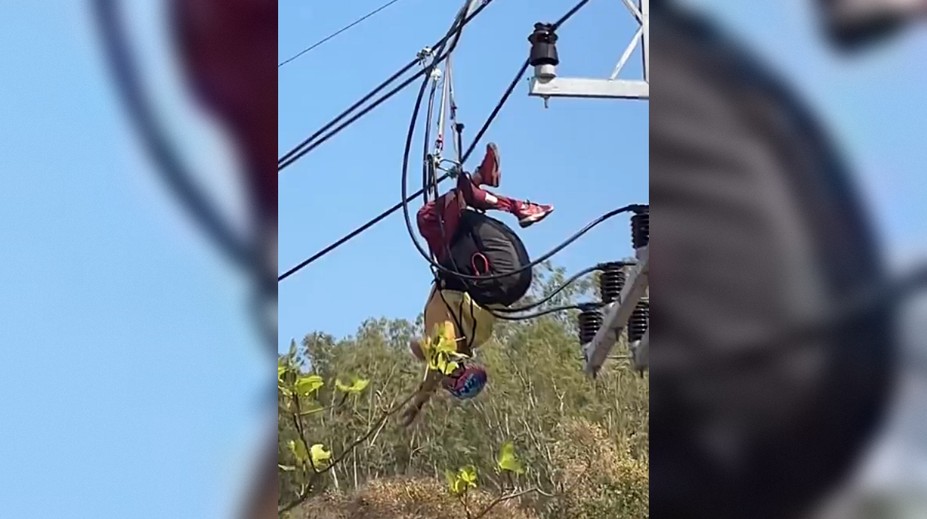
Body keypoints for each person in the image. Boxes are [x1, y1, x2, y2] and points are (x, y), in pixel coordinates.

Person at [400, 143, 553, 425]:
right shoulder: (448, 339)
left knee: (450, 212)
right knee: (428, 218)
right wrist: (423, 379)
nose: (444, 378)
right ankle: (514, 204)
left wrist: (419, 404)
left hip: (508, 277)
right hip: (496, 273)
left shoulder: (471, 337)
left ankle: (482, 181)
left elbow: (434, 369)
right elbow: (429, 356)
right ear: (459, 369)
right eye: (452, 377)